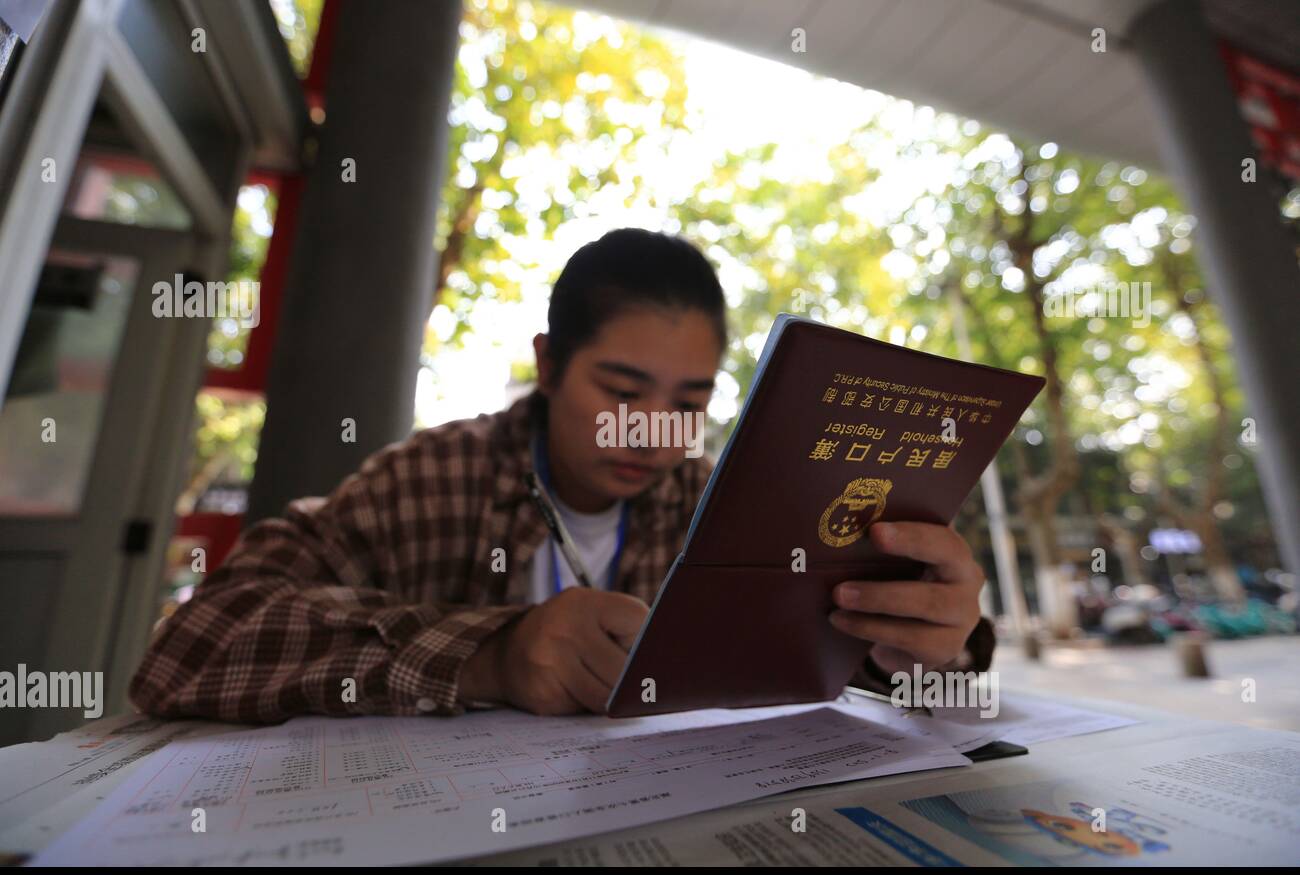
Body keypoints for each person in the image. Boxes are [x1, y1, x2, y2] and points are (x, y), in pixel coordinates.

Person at [130, 228, 992, 723]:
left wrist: (936, 648)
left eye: (689, 403)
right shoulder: (434, 477)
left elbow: (855, 676)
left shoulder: (716, 504)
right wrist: (492, 656)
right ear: (547, 366)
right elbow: (192, 644)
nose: (655, 433)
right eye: (621, 391)